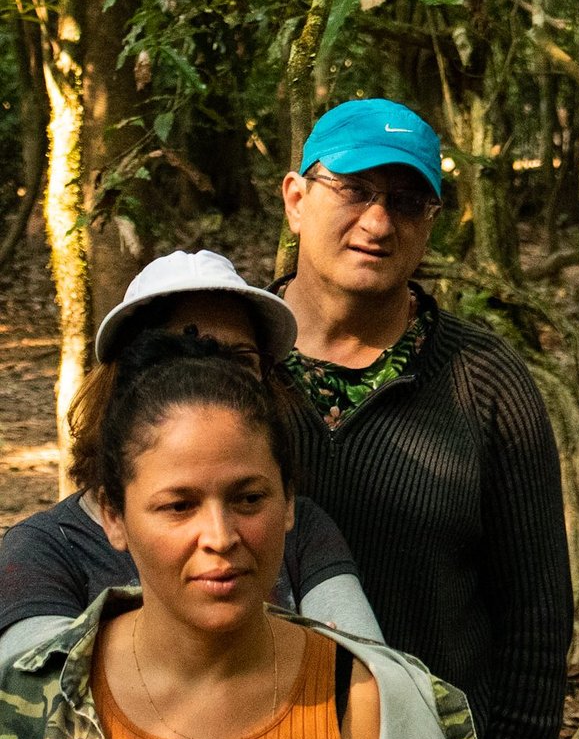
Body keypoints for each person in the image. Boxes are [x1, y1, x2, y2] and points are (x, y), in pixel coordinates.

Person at [0, 332, 504, 739]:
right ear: (113, 517)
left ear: (288, 503)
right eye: (179, 505)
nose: (220, 536)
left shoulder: (369, 700)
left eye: (248, 498)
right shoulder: (38, 701)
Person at [275, 98, 571, 739]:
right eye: (354, 190)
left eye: (407, 201)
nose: (378, 222)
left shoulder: (485, 381)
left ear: (432, 221)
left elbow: (535, 613)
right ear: (296, 198)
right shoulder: (229, 362)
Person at [0, 249, 381, 663]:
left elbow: (368, 670)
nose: (212, 372)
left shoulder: (297, 528)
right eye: (181, 351)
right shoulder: (46, 547)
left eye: (240, 359)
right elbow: (37, 685)